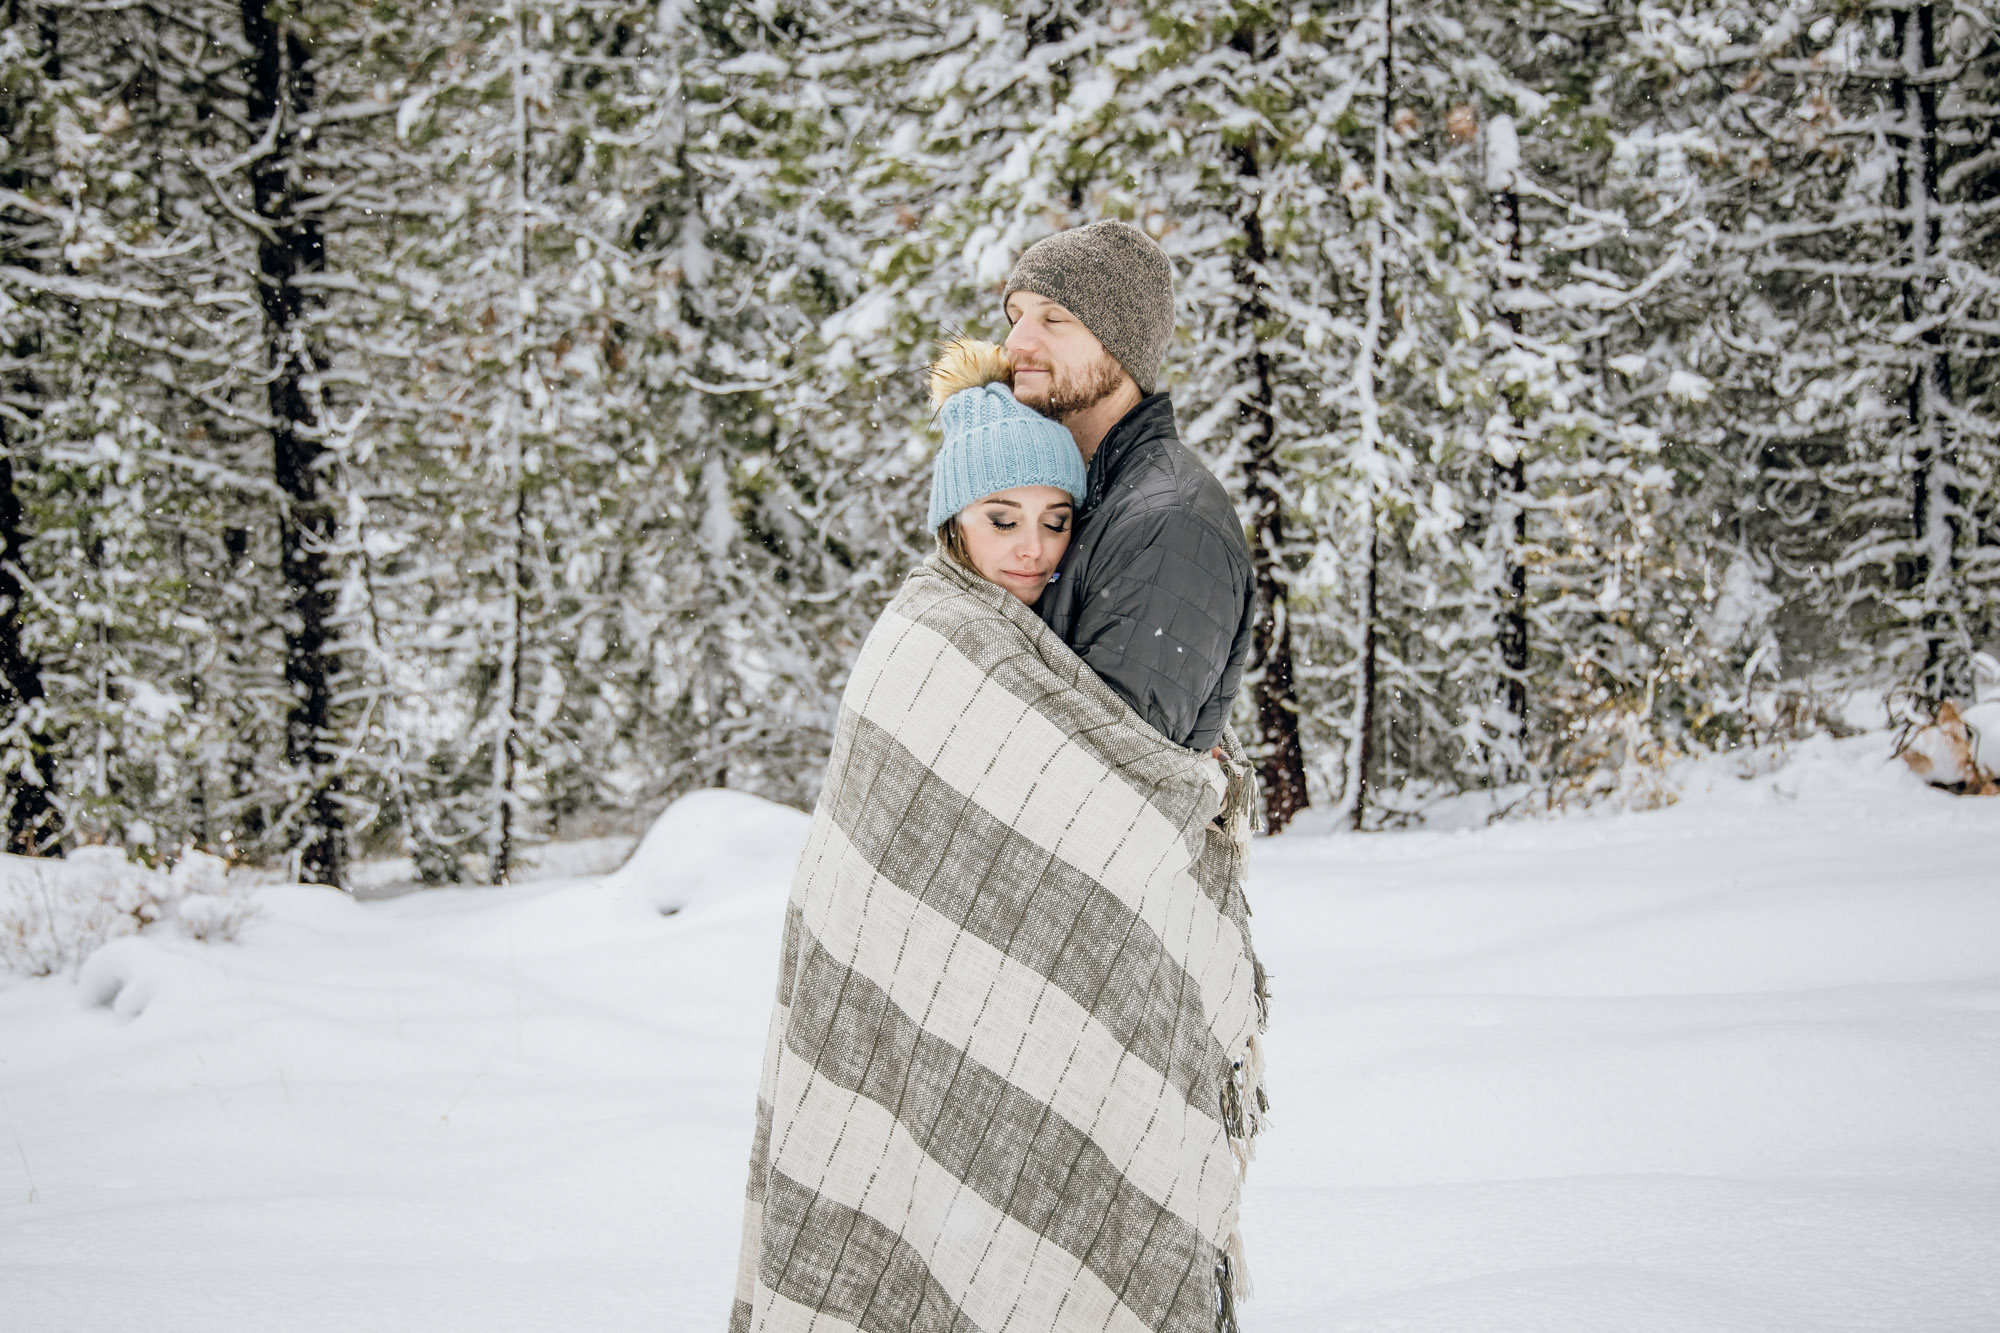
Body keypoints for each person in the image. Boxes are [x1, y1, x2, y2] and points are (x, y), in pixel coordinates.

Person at [727, 339, 1267, 1333]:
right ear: (953, 521)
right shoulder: (928, 636)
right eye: (1001, 519)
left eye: (1055, 521)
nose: (1030, 546)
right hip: (901, 993)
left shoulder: (1043, 642)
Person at [1003, 219, 1256, 756]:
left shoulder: (1170, 523)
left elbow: (1107, 781)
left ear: (1121, 347)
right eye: (1015, 316)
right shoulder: (1071, 498)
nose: (1016, 342)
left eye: (1054, 318)